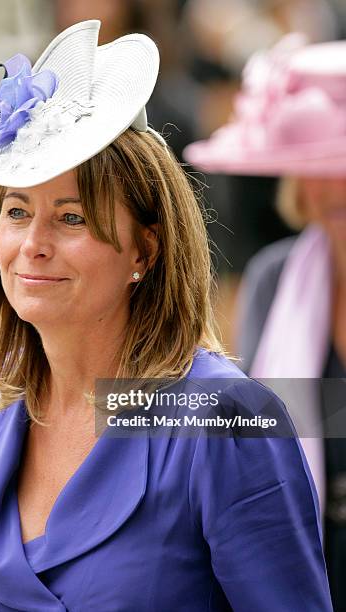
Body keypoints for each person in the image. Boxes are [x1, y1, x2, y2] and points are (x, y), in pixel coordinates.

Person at [0, 21, 332, 610]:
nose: (34, 244)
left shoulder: (225, 420)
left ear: (144, 251)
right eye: (18, 212)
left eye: (71, 218)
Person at [184, 34, 346, 610]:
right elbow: (251, 427)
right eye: (321, 166)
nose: (335, 187)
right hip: (310, 563)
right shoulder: (277, 278)